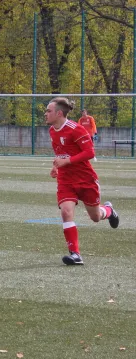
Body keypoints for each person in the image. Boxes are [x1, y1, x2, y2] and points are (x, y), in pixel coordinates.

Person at [45, 97, 119, 266]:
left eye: (49, 111)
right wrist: (56, 166)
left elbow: (90, 153)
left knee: (95, 216)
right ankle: (75, 254)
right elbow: (60, 152)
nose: (46, 113)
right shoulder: (52, 130)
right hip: (65, 180)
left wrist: (67, 161)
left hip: (85, 179)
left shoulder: (76, 129)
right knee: (66, 211)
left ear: (59, 113)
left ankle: (108, 210)